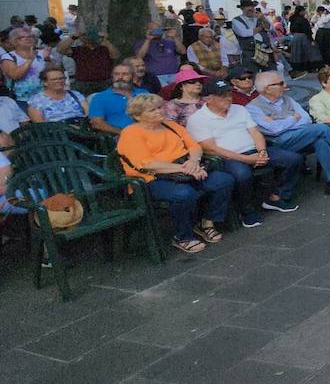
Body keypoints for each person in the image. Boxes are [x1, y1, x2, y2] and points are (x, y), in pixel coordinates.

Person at [117, 94, 234, 254]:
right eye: (152, 110)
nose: (159, 112)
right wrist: (184, 169)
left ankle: (206, 222)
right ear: (137, 116)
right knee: (184, 194)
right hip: (151, 179)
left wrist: (194, 162)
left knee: (223, 180)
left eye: (159, 107)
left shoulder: (170, 125)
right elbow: (146, 164)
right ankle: (183, 236)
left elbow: (194, 146)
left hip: (186, 169)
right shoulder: (131, 133)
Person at [189, 78, 303, 225]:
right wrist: (247, 159)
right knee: (242, 175)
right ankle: (246, 210)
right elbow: (212, 148)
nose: (228, 98)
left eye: (228, 94)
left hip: (253, 150)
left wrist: (262, 151)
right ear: (208, 99)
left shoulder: (239, 109)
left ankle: (278, 196)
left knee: (293, 159)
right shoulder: (198, 119)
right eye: (222, 95)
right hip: (228, 157)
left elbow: (255, 132)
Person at [247, 71, 330, 197]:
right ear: (267, 89)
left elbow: (306, 119)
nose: (285, 85)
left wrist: (283, 122)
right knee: (321, 128)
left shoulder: (288, 99)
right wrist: (293, 118)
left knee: (321, 142)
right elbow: (274, 130)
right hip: (279, 143)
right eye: (281, 83)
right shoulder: (253, 108)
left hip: (301, 135)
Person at [57, 29, 119, 95]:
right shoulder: (78, 50)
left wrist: (104, 40)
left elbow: (115, 55)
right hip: (83, 84)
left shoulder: (105, 49)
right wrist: (73, 37)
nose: (88, 39)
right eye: (84, 36)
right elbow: (61, 49)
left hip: (104, 83)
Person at [0, 26, 48, 105]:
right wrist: (30, 60)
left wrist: (49, 60)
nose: (28, 38)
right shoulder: (8, 57)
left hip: (45, 97)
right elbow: (15, 75)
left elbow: (55, 72)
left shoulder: (42, 53)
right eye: (22, 37)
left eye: (30, 36)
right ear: (13, 41)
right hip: (23, 100)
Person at [136, 21, 186, 85]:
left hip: (174, 75)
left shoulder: (169, 42)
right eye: (154, 30)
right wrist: (148, 39)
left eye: (159, 29)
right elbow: (139, 57)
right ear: (148, 30)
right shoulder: (142, 43)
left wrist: (174, 37)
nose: (158, 31)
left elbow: (183, 51)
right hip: (155, 77)